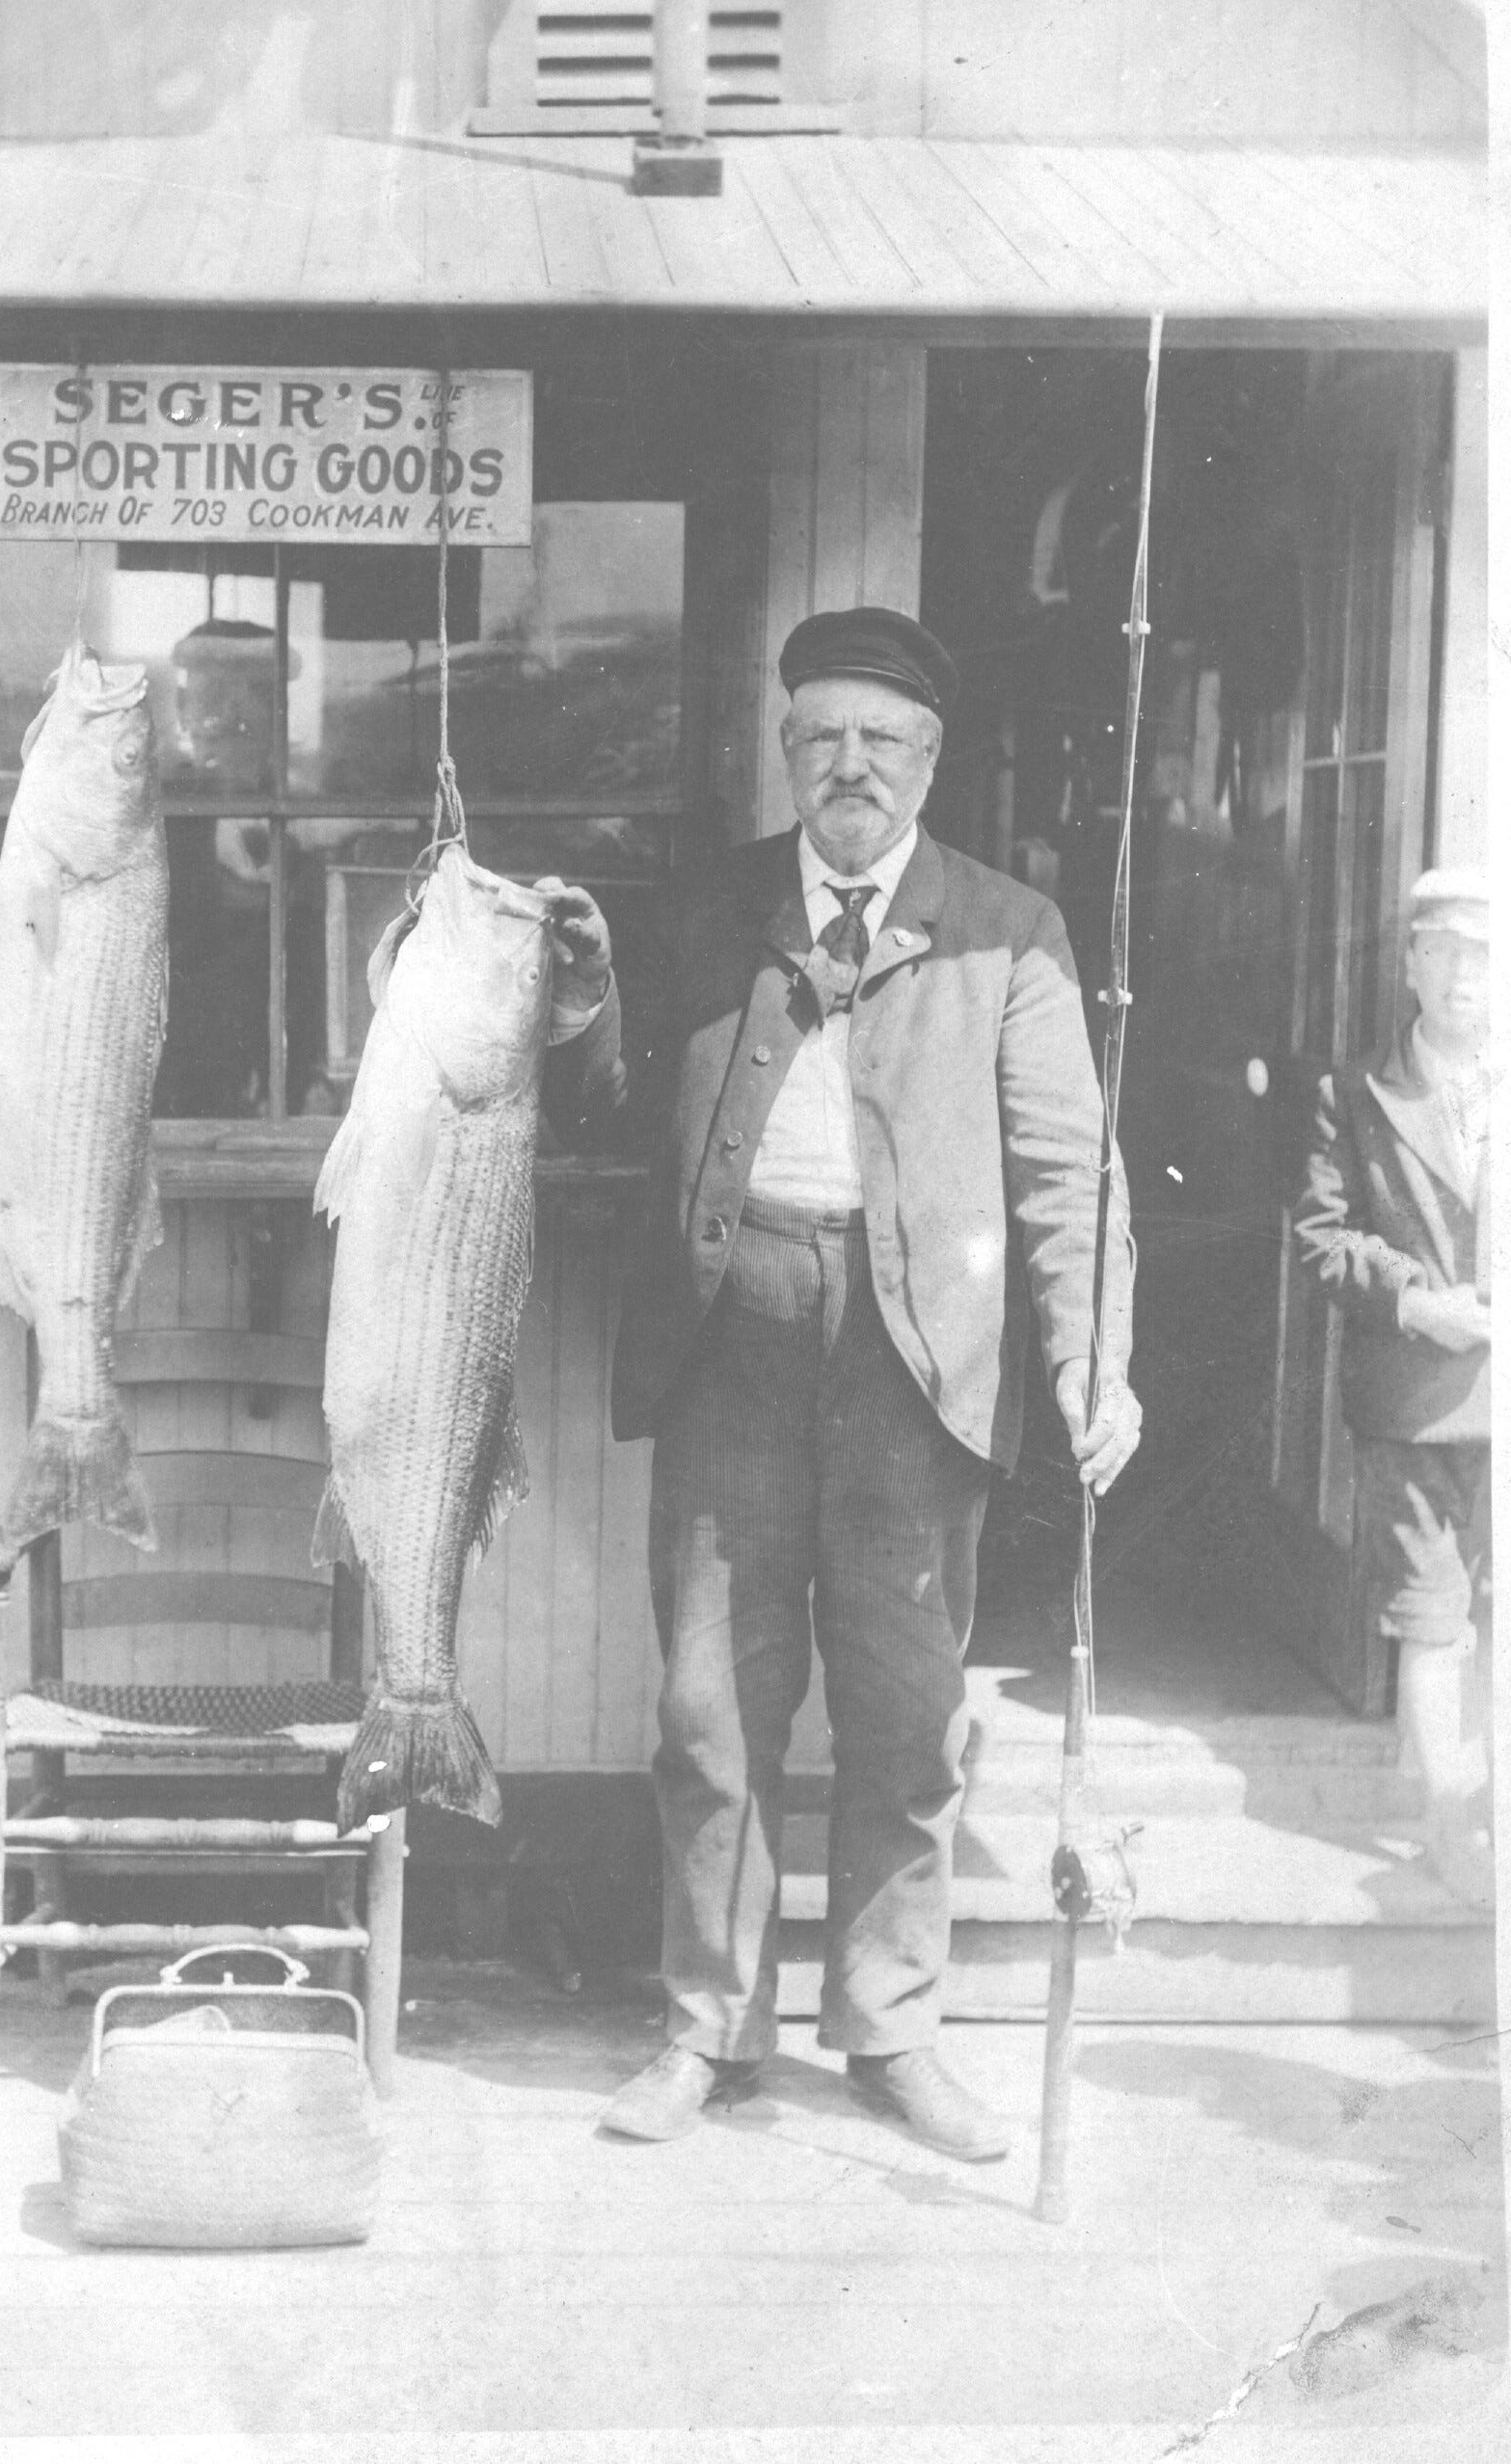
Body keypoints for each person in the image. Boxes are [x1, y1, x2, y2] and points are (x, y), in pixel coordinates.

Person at [539, 605, 1141, 2160]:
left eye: (882, 739)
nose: (850, 765)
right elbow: (602, 1103)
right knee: (710, 1707)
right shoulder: (713, 904)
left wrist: (1088, 1353)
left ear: (929, 759)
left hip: (918, 1359)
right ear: (787, 753)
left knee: (906, 1707)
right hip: (732, 1338)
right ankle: (707, 2024)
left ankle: (890, 2023)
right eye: (822, 737)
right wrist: (585, 987)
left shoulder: (1008, 927)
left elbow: (1068, 1167)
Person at [1294, 869, 1491, 1908]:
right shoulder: (1355, 1092)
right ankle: (1447, 1833)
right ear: (1409, 962)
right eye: (1442, 949)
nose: (1462, 974)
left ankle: (1503, 1815)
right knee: (1427, 1617)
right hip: (1413, 1396)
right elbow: (1321, 1242)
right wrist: (1417, 1305)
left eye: (1483, 952)